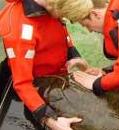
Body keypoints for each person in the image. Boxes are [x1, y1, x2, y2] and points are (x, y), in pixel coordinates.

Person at [0, 0, 93, 129]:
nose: (63, 18)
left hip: (54, 74)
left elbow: (61, 28)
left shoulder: (52, 5)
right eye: (63, 15)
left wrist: (74, 54)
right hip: (30, 82)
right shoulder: (20, 32)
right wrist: (50, 119)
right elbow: (22, 83)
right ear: (54, 6)